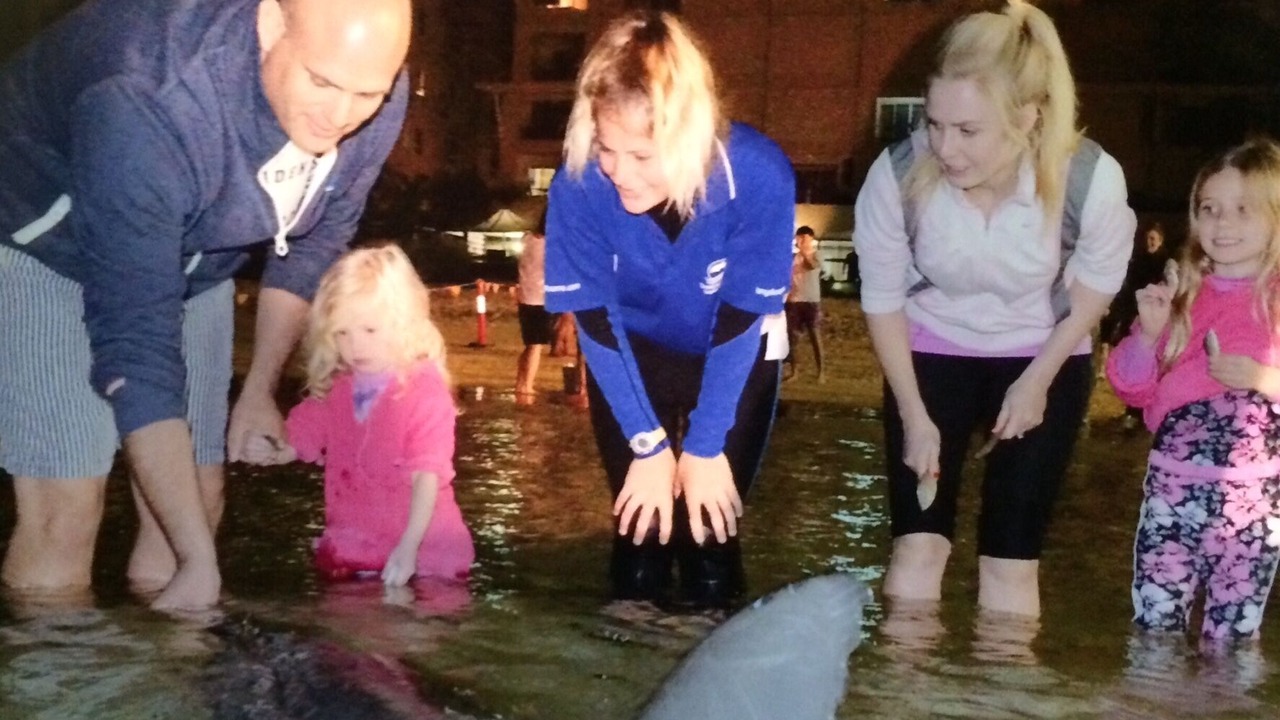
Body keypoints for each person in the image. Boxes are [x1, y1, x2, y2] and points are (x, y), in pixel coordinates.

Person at [0, 0, 411, 609]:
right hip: (45, 239)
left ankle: (164, 688)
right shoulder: (148, 96)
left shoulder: (377, 89)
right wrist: (200, 561)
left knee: (196, 497)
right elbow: (136, 348)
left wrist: (259, 391)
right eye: (321, 82)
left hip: (198, 247)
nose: (340, 116)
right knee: (67, 507)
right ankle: (62, 693)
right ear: (270, 26)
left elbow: (317, 238)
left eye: (365, 94)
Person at [853, 0, 1135, 618]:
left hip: (1044, 352)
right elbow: (882, 297)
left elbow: (1098, 282)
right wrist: (915, 416)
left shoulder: (1091, 179)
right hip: (929, 356)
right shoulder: (896, 175)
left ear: (1028, 119)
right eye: (934, 124)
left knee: (1010, 561)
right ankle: (901, 697)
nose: (944, 148)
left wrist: (1038, 380)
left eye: (968, 131)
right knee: (916, 551)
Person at [544, 11, 794, 608]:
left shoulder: (759, 175)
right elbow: (595, 322)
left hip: (733, 353)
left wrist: (703, 447)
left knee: (709, 534)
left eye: (642, 156)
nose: (619, 174)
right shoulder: (578, 184)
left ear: (689, 136)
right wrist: (648, 446)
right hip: (635, 353)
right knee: (640, 535)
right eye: (608, 149)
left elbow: (741, 317)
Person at [1106, 138, 1280, 642]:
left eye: (1243, 210)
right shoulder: (1180, 292)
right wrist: (1151, 332)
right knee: (1154, 630)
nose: (1223, 224)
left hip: (1254, 504)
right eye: (1210, 209)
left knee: (1232, 639)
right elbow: (1131, 388)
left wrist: (1262, 379)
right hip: (1171, 496)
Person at [245, 245, 474, 586]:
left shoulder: (423, 391)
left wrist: (409, 545)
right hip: (357, 549)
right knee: (342, 636)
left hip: (426, 556)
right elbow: (304, 431)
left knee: (413, 632)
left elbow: (427, 475)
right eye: (342, 333)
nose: (356, 346)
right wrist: (277, 448)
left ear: (403, 323)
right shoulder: (339, 387)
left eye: (369, 330)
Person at [515, 210, 556, 397]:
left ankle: (520, 381)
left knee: (529, 343)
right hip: (540, 298)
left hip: (524, 296)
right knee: (536, 345)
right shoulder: (551, 247)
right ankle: (527, 385)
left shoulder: (527, 239)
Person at [783, 225, 826, 382]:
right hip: (794, 301)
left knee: (815, 336)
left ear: (811, 239)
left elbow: (811, 266)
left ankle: (821, 372)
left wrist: (803, 251)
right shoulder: (792, 257)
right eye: (798, 237)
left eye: (804, 238)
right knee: (792, 339)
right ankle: (795, 371)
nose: (800, 240)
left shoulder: (817, 254)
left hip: (811, 301)